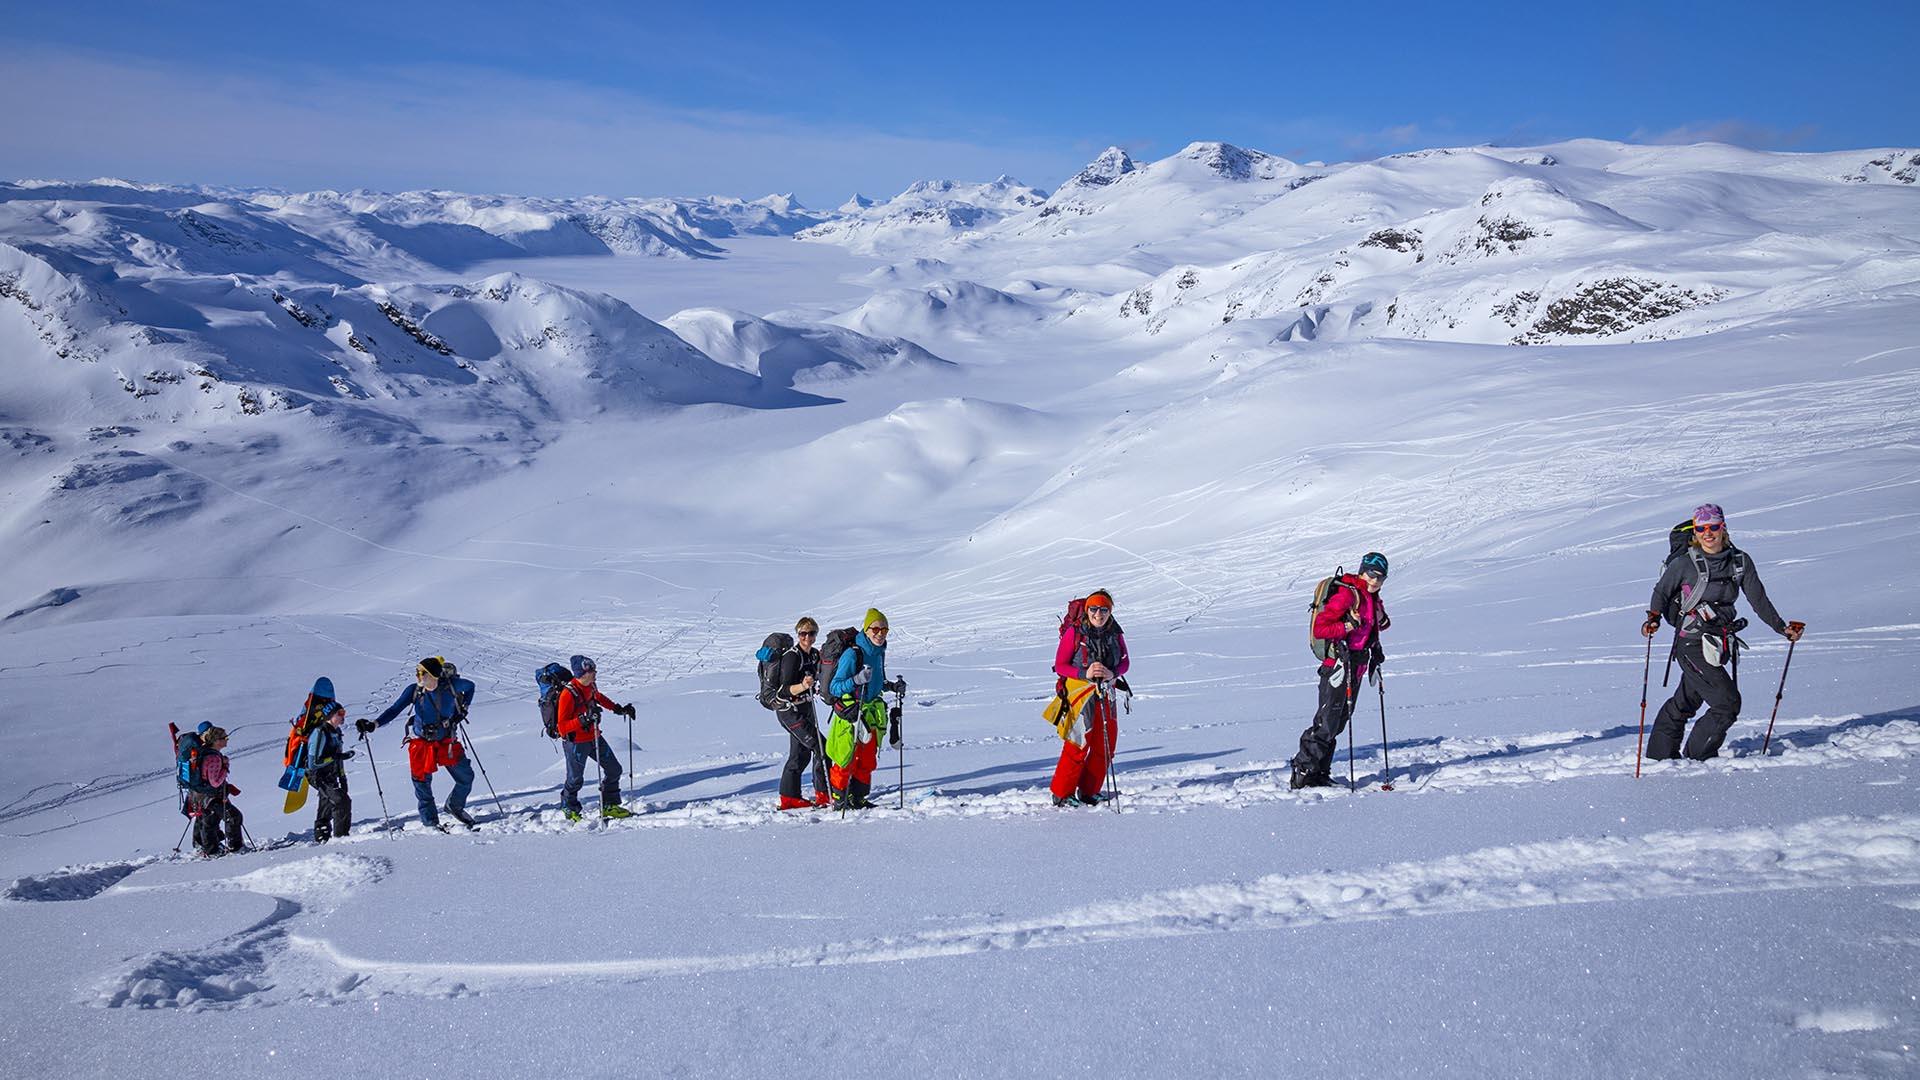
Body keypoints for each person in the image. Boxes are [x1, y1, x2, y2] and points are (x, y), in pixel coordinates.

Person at [1642, 504, 1804, 760]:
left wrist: (1782, 628)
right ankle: (1700, 757)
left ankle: (1660, 755)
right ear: (1695, 532)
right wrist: (1653, 619)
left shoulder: (1740, 562)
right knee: (1727, 704)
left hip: (1718, 643)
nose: (1708, 533)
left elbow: (1759, 600)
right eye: (1702, 528)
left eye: (1714, 527)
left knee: (1687, 701)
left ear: (1723, 528)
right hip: (1690, 643)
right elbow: (1661, 592)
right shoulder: (1685, 564)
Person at [1291, 552, 1391, 789]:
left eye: (1381, 577)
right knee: (1326, 723)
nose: (1375, 580)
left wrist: (1377, 630)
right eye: (1371, 574)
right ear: (1362, 571)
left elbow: (1381, 624)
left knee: (1338, 723)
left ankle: (1320, 773)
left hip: (1356, 666)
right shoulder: (1348, 593)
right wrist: (1348, 625)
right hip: (1336, 666)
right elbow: (1321, 629)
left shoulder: (1372, 597)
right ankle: (1303, 772)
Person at [357, 657, 478, 830]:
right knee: (422, 785)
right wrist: (374, 724)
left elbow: (471, 686)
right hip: (421, 744)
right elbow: (394, 709)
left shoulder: (452, 686)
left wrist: (464, 709)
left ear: (434, 675)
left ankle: (454, 806)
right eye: (417, 672)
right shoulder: (414, 691)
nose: (418, 676)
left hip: (446, 741)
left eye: (422, 673)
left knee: (466, 777)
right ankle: (431, 824)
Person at [1050, 589, 1131, 807]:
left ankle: (1089, 791)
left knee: (1106, 745)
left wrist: (1113, 673)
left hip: (1107, 693)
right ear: (1087, 610)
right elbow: (1060, 665)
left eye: (1104, 609)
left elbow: (1125, 662)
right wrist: (1083, 674)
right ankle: (1061, 794)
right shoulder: (1075, 633)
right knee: (1078, 744)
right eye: (1094, 608)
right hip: (1080, 695)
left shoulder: (1115, 632)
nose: (1099, 613)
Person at [826, 608, 904, 810]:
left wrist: (891, 686)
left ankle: (858, 799)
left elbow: (876, 682)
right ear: (866, 629)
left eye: (884, 630)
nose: (880, 633)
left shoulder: (879, 652)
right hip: (851, 712)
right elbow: (834, 687)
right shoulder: (853, 654)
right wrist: (855, 680)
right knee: (845, 758)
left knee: (867, 760)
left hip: (871, 714)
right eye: (875, 629)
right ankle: (839, 799)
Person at [554, 654, 637, 821]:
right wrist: (583, 719)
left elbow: (599, 698)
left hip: (594, 736)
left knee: (614, 769)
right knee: (575, 778)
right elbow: (561, 727)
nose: (595, 673)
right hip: (576, 743)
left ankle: (609, 805)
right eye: (592, 671)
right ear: (582, 673)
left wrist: (618, 709)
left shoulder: (590, 686)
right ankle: (569, 807)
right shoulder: (567, 694)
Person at [775, 618, 830, 810]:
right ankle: (823, 794)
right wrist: (803, 686)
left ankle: (789, 798)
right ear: (797, 634)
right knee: (822, 748)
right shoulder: (792, 656)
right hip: (791, 711)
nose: (807, 637)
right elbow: (782, 691)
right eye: (803, 634)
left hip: (805, 709)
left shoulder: (814, 655)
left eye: (812, 633)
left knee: (800, 755)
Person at [303, 678, 354, 842]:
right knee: (341, 801)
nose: (343, 716)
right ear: (330, 715)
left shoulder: (336, 733)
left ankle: (322, 835)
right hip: (317, 775)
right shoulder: (320, 733)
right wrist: (336, 757)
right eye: (340, 713)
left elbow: (338, 759)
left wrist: (343, 777)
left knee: (327, 801)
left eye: (343, 713)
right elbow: (313, 763)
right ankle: (341, 838)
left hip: (329, 774)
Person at [189, 726, 246, 856]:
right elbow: (215, 782)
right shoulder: (214, 758)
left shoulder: (206, 752)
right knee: (234, 817)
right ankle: (235, 848)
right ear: (216, 741)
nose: (227, 740)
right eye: (224, 738)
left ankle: (211, 850)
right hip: (211, 796)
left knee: (209, 821)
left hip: (201, 796)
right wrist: (225, 767)